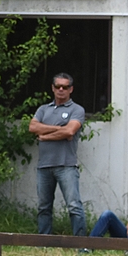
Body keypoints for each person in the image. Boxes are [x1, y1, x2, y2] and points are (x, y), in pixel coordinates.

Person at [29, 73, 87, 236]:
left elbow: (70, 131)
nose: (61, 90)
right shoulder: (43, 109)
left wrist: (45, 135)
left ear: (71, 89)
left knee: (74, 205)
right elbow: (33, 127)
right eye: (58, 86)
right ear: (53, 88)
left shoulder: (77, 109)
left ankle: (81, 244)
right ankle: (44, 243)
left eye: (65, 87)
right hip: (44, 166)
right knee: (43, 206)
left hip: (66, 165)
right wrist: (59, 129)